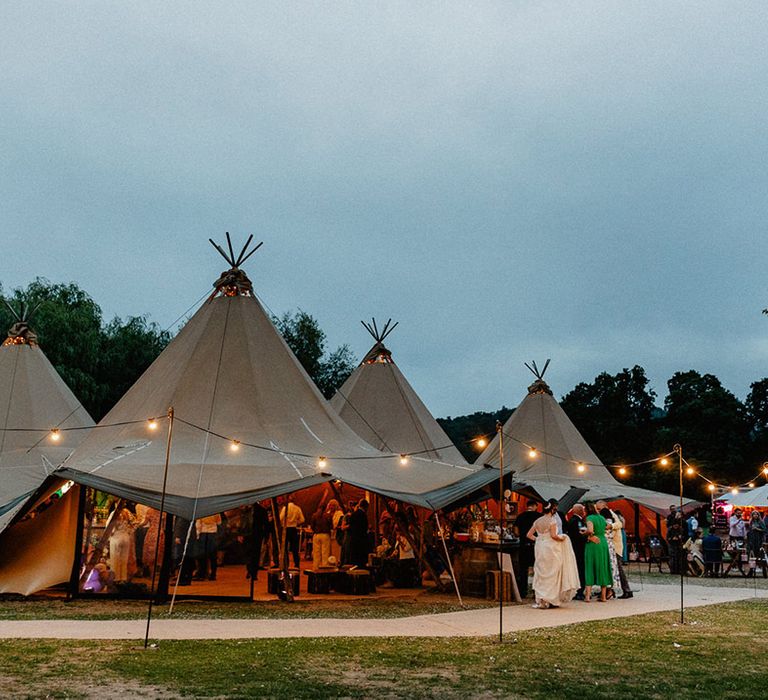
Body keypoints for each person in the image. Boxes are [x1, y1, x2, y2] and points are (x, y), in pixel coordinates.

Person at [526, 501, 580, 608]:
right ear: (552, 510)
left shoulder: (537, 521)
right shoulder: (552, 521)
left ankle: (541, 598)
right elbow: (554, 536)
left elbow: (529, 535)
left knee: (541, 570)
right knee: (553, 571)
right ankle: (550, 598)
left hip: (540, 548)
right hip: (551, 548)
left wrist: (539, 539)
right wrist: (563, 537)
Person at [597, 501, 632, 599]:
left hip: (615, 547)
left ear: (605, 507)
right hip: (609, 546)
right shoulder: (603, 516)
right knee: (611, 569)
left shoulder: (612, 515)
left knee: (618, 569)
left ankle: (627, 590)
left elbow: (619, 524)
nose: (598, 511)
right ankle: (609, 590)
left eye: (599, 509)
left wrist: (611, 526)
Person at [583, 504, 612, 602]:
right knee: (602, 567)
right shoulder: (601, 517)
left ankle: (587, 596)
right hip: (603, 542)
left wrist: (584, 533)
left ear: (587, 510)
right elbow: (608, 526)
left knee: (590, 567)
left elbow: (590, 530)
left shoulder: (589, 518)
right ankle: (603, 596)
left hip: (593, 544)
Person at [513, 501, 541, 598]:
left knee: (523, 569)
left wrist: (522, 534)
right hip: (536, 545)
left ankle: (523, 592)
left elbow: (516, 532)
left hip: (523, 545)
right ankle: (536, 592)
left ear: (527, 506)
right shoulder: (539, 516)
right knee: (537, 569)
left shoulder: (520, 516)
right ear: (535, 506)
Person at [565, 503, 588, 600]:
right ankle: (580, 590)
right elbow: (578, 535)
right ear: (580, 511)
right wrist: (586, 536)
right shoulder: (576, 521)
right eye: (583, 510)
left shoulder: (572, 520)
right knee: (580, 569)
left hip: (574, 548)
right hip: (579, 549)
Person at [109, 508, 136, 583]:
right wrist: (129, 532)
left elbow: (110, 527)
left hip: (117, 537)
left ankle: (115, 578)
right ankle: (123, 578)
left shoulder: (114, 513)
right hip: (126, 538)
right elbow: (135, 524)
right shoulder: (127, 512)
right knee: (124, 559)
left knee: (115, 558)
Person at [279, 495, 305, 568]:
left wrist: (283, 523)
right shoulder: (297, 508)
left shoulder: (285, 508)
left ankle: (286, 564)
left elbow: (280, 518)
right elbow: (302, 519)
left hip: (286, 529)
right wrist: (296, 522)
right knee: (295, 548)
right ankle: (296, 564)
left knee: (285, 548)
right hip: (293, 529)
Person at [195, 513, 222, 580]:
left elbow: (198, 523)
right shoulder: (216, 511)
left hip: (203, 532)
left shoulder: (202, 510)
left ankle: (202, 574)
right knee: (212, 555)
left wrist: (197, 534)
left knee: (202, 555)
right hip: (213, 532)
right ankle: (213, 574)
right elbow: (219, 522)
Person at [347, 499, 372, 568]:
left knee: (355, 560)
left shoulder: (353, 514)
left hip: (353, 539)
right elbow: (364, 528)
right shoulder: (363, 515)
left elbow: (350, 527)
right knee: (361, 560)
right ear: (366, 507)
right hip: (361, 540)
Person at [310, 504, 332, 570]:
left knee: (316, 553)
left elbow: (312, 526)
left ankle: (316, 568)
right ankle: (324, 568)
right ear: (326, 508)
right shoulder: (328, 515)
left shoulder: (314, 515)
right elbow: (331, 526)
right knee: (325, 553)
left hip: (316, 535)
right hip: (325, 535)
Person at [746, 510, 766, 577]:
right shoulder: (751, 522)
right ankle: (751, 570)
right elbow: (749, 530)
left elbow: (764, 530)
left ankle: (760, 568)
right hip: (752, 540)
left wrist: (757, 529)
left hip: (758, 540)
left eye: (756, 514)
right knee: (751, 555)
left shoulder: (760, 522)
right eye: (754, 514)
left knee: (759, 555)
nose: (755, 516)